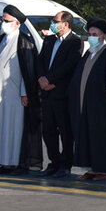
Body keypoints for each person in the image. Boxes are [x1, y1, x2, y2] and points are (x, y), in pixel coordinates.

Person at [0, 5, 40, 174]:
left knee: (13, 128)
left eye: (7, 21)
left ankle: (15, 162)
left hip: (15, 93)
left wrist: (25, 92)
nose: (4, 23)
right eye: (3, 20)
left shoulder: (24, 41)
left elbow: (29, 71)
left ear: (17, 23)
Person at [72, 19, 106, 182]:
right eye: (90, 34)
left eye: (95, 34)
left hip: (101, 105)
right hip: (85, 103)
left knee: (101, 137)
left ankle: (103, 170)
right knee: (86, 136)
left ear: (104, 36)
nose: (91, 37)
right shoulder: (89, 52)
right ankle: (90, 169)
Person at [37, 10, 82, 178]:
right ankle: (54, 162)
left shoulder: (75, 42)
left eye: (56, 21)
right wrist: (42, 78)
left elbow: (70, 65)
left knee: (65, 131)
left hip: (61, 93)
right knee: (48, 130)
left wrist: (50, 80)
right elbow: (40, 61)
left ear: (66, 24)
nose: (53, 23)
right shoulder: (48, 40)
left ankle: (65, 164)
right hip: (46, 93)